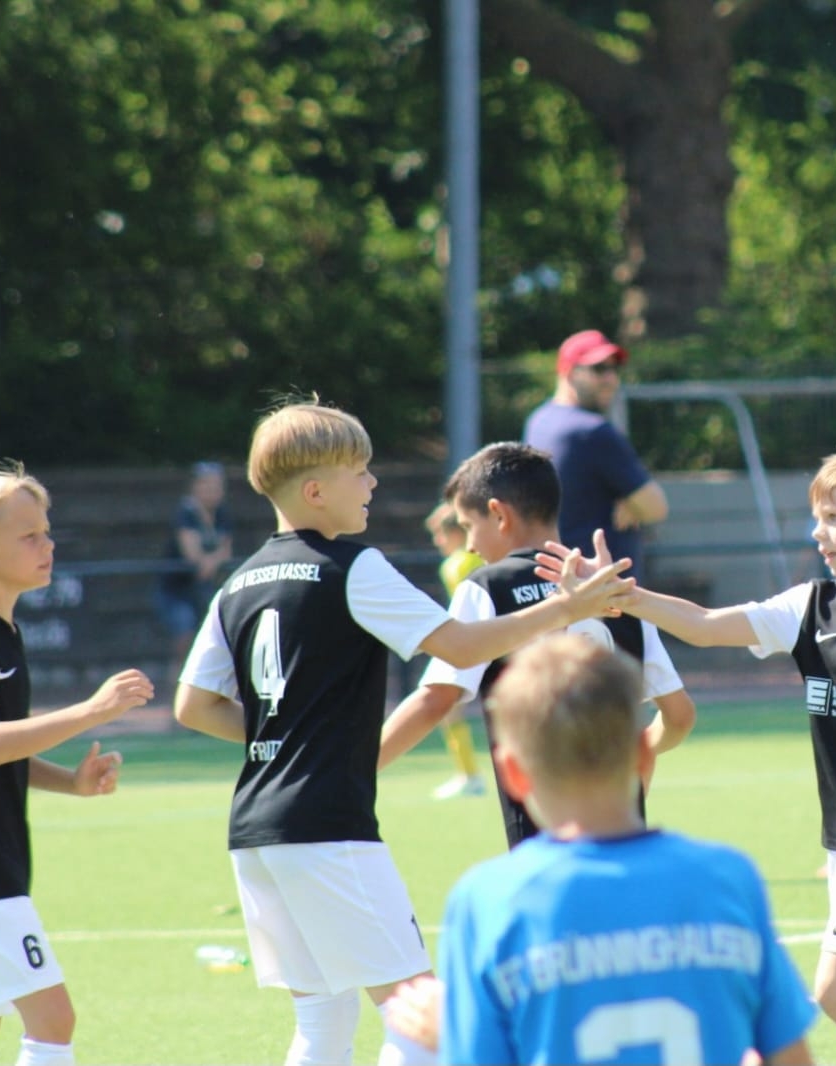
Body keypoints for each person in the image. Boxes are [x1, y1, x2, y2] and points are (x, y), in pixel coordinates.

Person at [172, 400, 632, 1066]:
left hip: (254, 829)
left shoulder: (238, 583)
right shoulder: (353, 567)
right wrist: (567, 607)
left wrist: (292, 734)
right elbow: (461, 645)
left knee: (322, 1023)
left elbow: (193, 706)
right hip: (327, 826)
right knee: (420, 1014)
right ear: (315, 491)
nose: (373, 483)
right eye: (359, 471)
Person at [539, 446, 836, 1066]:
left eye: (834, 518)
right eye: (817, 518)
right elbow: (706, 624)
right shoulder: (811, 605)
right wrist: (623, 596)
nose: (818, 532)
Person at [385, 635, 816, 1065]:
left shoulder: (489, 899)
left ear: (513, 773)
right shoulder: (727, 878)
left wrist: (453, 1034)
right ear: (643, 753)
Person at [0, 465, 154, 1066]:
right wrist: (93, 710)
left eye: (46, 532)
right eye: (29, 536)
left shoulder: (0, 632)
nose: (47, 545)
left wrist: (70, 782)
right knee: (52, 1020)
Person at [379, 442, 695, 848]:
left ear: (499, 514)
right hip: (624, 836)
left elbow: (436, 700)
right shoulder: (611, 587)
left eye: (468, 526)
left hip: (543, 838)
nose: (470, 545)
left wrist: (356, 772)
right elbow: (679, 716)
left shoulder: (488, 587)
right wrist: (625, 758)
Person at [523, 329, 668, 580]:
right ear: (569, 372)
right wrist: (632, 503)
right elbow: (656, 507)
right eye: (599, 369)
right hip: (602, 589)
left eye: (614, 369)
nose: (611, 379)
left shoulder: (538, 421)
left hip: (557, 584)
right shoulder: (592, 431)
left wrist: (630, 502)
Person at [423, 502, 488, 801]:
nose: (438, 542)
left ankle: (470, 776)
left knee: (447, 708)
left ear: (456, 533)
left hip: (472, 642)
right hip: (491, 637)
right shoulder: (479, 558)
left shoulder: (456, 564)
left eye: (441, 534)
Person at [156, 461, 234, 687]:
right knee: (185, 637)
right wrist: (212, 560)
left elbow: (226, 552)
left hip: (206, 589)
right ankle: (176, 691)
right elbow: (193, 558)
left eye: (217, 485)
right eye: (206, 484)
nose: (212, 490)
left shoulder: (222, 513)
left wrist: (211, 561)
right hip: (177, 590)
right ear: (195, 486)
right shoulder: (185, 513)